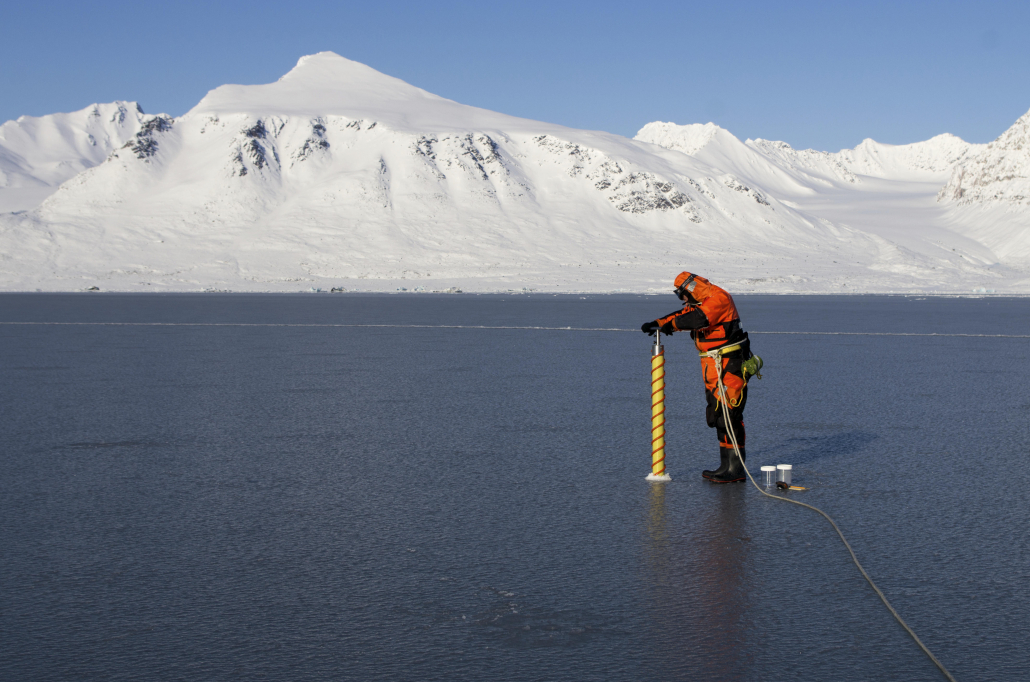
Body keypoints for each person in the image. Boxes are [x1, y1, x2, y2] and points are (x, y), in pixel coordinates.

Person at [641, 272, 754, 483]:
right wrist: (658, 322)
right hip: (712, 366)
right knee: (716, 415)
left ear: (691, 288)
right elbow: (682, 315)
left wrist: (671, 326)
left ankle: (736, 469)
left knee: (730, 414)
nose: (682, 300)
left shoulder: (719, 298)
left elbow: (699, 319)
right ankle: (725, 466)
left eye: (682, 294)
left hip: (729, 364)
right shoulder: (699, 302)